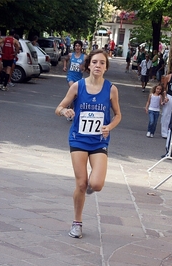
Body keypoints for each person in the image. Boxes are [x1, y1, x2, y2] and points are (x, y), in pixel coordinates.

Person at [55, 49, 121, 239]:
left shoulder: (111, 89)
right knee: (81, 184)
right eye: (94, 62)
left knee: (97, 184)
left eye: (102, 63)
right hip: (78, 139)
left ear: (106, 67)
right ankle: (77, 222)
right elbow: (59, 107)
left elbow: (118, 115)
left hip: (99, 141)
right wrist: (65, 112)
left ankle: (91, 185)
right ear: (88, 65)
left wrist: (109, 126)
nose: (98, 66)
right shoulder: (77, 86)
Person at [160, 61, 172, 138]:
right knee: (166, 114)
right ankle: (164, 131)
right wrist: (165, 97)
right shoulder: (168, 77)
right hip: (170, 96)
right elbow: (164, 88)